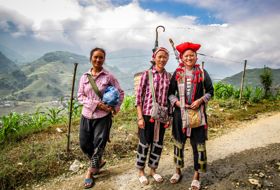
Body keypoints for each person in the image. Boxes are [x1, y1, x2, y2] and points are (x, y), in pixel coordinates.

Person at [168, 42, 214, 190]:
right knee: (178, 143)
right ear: (182, 57)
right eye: (186, 56)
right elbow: (170, 93)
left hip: (197, 115)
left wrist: (200, 100)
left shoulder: (202, 73)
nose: (189, 58)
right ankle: (177, 171)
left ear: (196, 57)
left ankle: (196, 176)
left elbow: (210, 92)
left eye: (191, 55)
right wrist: (177, 103)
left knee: (198, 145)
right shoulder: (177, 73)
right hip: (179, 115)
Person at [77, 47, 124, 189]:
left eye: (101, 57)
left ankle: (90, 173)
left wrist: (115, 108)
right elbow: (80, 96)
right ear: (91, 58)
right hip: (86, 115)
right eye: (95, 57)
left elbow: (120, 93)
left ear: (104, 59)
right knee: (84, 144)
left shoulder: (108, 77)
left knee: (99, 145)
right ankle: (98, 161)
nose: (98, 60)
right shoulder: (84, 77)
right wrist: (97, 104)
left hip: (103, 118)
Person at [135, 47, 171, 185]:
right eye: (160, 56)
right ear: (154, 58)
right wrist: (139, 117)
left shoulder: (169, 77)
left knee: (158, 144)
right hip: (146, 115)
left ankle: (153, 170)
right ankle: (141, 171)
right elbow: (139, 97)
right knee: (144, 143)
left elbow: (169, 98)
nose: (162, 59)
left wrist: (169, 117)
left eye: (165, 57)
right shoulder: (148, 74)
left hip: (161, 116)